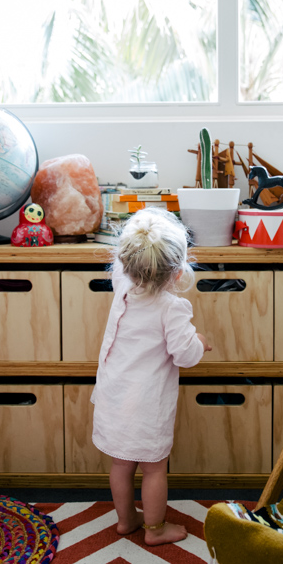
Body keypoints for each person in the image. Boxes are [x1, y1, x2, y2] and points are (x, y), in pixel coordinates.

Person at [91, 208, 212, 545]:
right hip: (147, 405)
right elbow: (185, 356)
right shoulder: (172, 307)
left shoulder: (123, 287)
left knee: (121, 464)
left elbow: (125, 267)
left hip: (113, 395)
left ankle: (126, 520)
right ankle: (156, 531)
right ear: (176, 272)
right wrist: (200, 341)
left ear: (125, 264)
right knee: (154, 468)